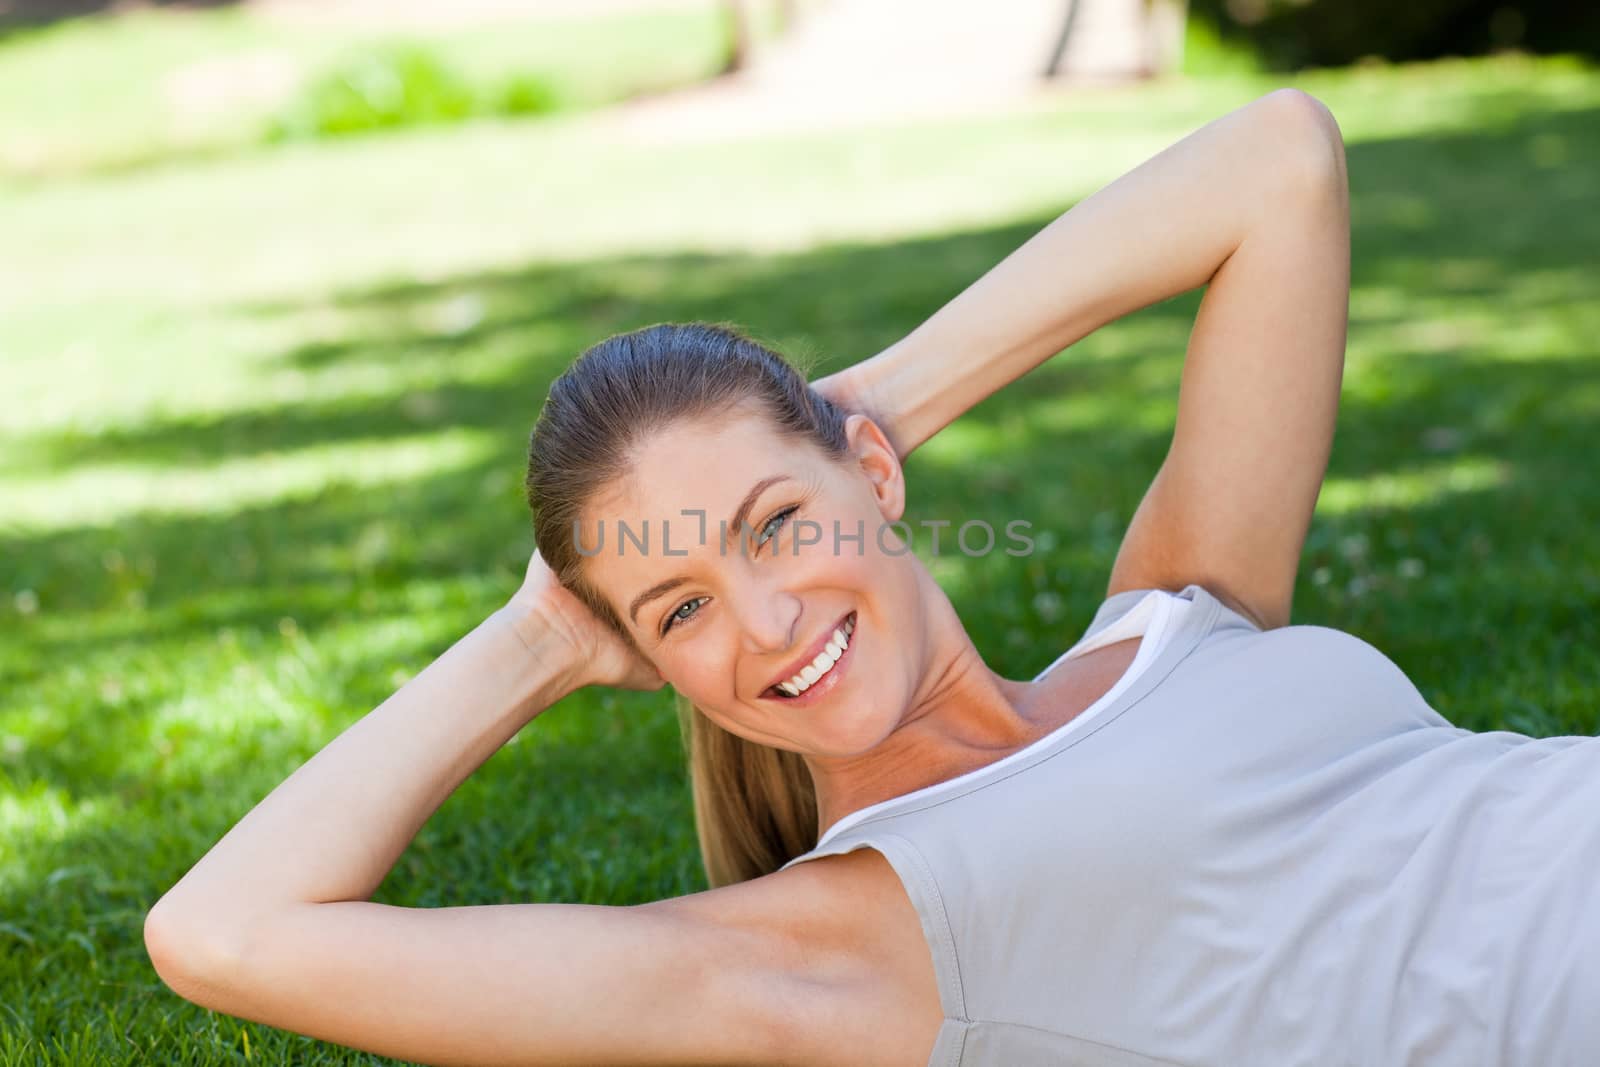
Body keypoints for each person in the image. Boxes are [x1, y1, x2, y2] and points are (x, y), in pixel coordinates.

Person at [142, 88, 1598, 1066]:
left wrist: (876, 405)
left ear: (878, 482)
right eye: (684, 607)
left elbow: (1279, 157)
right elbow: (220, 934)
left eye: (778, 523)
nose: (767, 622)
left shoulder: (1181, 609)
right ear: (651, 661)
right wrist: (536, 638)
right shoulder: (841, 950)